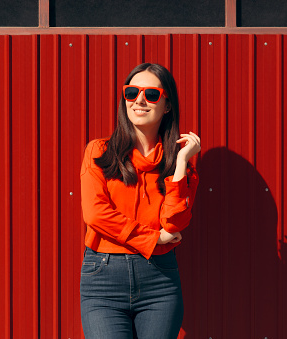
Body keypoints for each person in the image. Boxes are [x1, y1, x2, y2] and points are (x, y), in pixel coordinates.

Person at [80, 63, 200, 339]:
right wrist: (153, 239)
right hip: (103, 278)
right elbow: (96, 215)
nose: (139, 101)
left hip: (159, 279)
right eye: (131, 92)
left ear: (167, 105)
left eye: (151, 94)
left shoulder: (181, 165)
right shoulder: (100, 152)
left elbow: (174, 223)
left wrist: (181, 162)